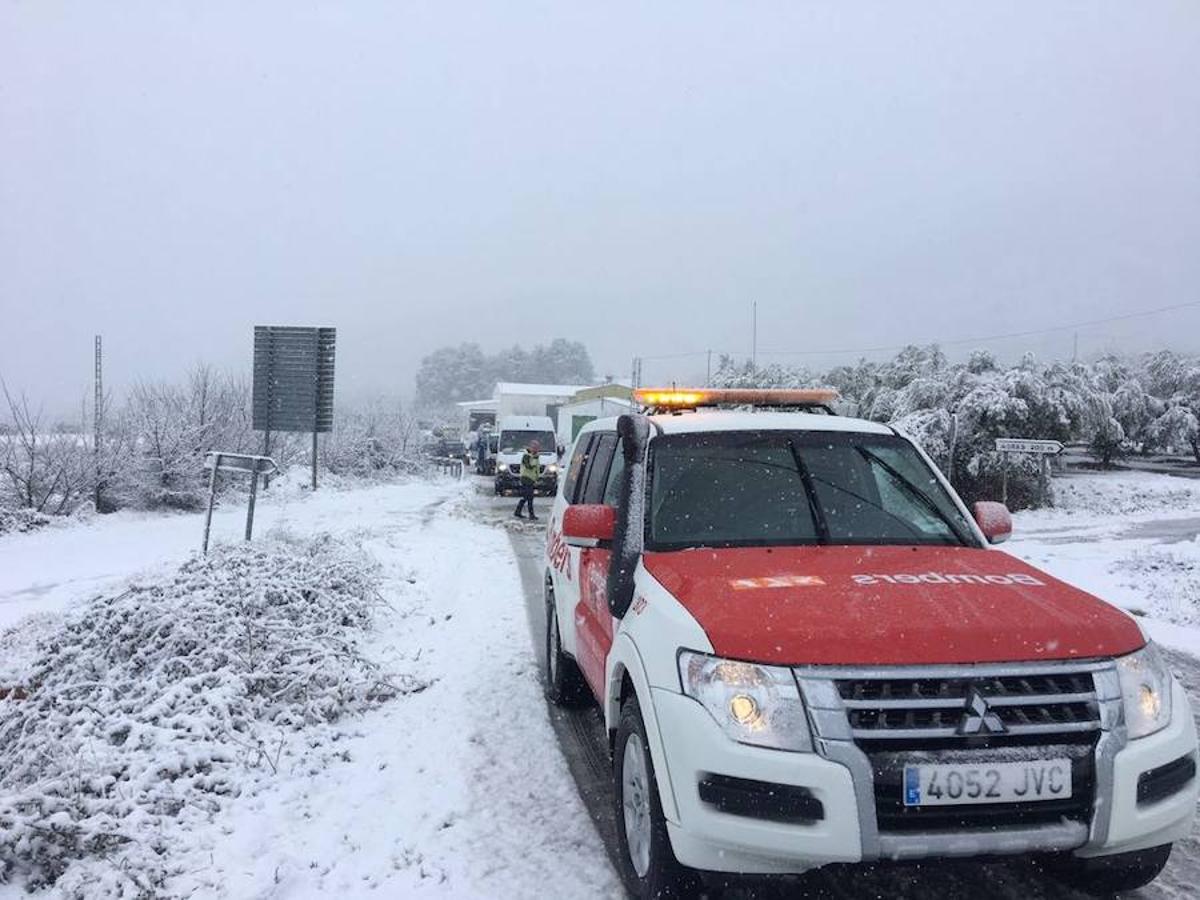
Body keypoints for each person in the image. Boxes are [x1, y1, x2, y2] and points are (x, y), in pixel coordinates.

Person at [514, 440, 542, 520]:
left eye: (537, 448)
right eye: (534, 448)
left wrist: (537, 477)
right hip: (526, 478)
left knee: (527, 497)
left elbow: (536, 468)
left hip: (531, 479)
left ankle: (518, 511)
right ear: (531, 447)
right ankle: (530, 514)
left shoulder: (534, 456)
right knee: (529, 497)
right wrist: (535, 458)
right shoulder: (526, 456)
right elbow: (529, 466)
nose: (536, 449)